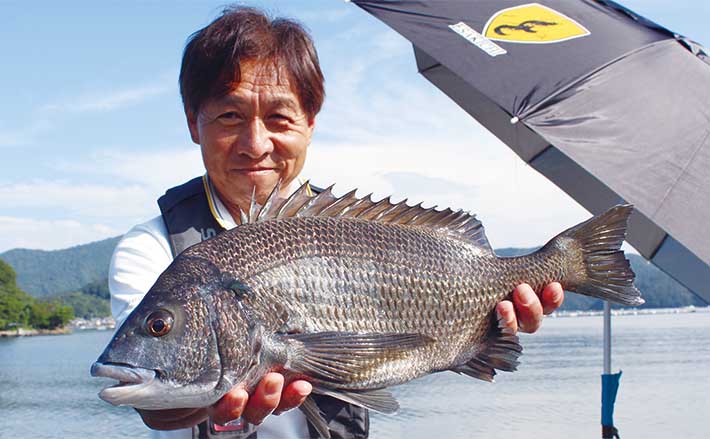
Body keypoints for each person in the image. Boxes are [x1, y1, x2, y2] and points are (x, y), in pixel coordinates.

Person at [108, 5, 565, 439]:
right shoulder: (151, 247)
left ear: (310, 122)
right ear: (193, 122)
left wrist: (486, 327)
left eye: (279, 118)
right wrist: (206, 402)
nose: (255, 143)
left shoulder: (351, 230)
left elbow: (405, 347)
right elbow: (154, 403)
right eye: (230, 116)